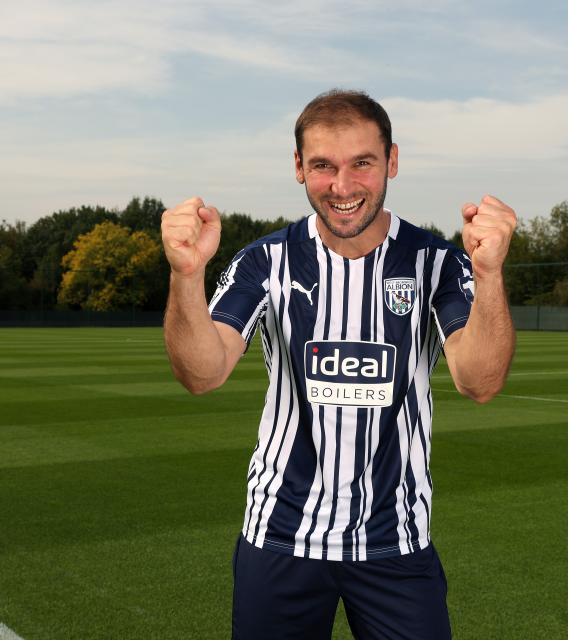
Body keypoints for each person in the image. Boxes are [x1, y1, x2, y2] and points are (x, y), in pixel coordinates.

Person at [161, 89, 516, 640]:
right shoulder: (265, 261)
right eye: (323, 165)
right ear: (299, 167)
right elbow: (202, 373)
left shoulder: (437, 262)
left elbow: (480, 381)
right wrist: (186, 276)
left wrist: (489, 273)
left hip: (396, 542)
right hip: (281, 537)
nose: (343, 187)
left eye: (362, 164)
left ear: (392, 161)